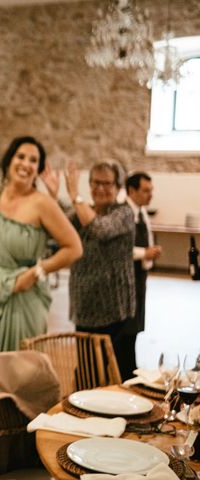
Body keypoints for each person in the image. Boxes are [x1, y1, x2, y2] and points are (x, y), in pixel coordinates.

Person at [0, 137, 82, 371]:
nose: (26, 163)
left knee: (17, 372)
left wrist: (37, 272)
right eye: (21, 156)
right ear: (9, 160)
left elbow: (74, 247)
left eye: (34, 160)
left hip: (25, 294)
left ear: (38, 169)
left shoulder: (42, 204)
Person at [63, 161, 136, 380]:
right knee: (87, 373)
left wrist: (75, 196)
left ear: (117, 187)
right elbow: (58, 229)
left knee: (117, 374)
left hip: (114, 310)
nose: (100, 188)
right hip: (85, 307)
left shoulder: (123, 213)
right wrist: (50, 195)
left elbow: (100, 229)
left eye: (107, 183)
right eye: (95, 182)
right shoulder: (81, 213)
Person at [124, 172, 162, 374]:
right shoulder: (123, 213)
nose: (150, 195)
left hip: (140, 276)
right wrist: (144, 253)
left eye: (151, 190)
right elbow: (119, 249)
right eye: (146, 190)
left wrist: (150, 251)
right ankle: (126, 366)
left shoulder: (141, 212)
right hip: (126, 276)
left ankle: (130, 363)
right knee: (127, 325)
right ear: (132, 190)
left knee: (137, 322)